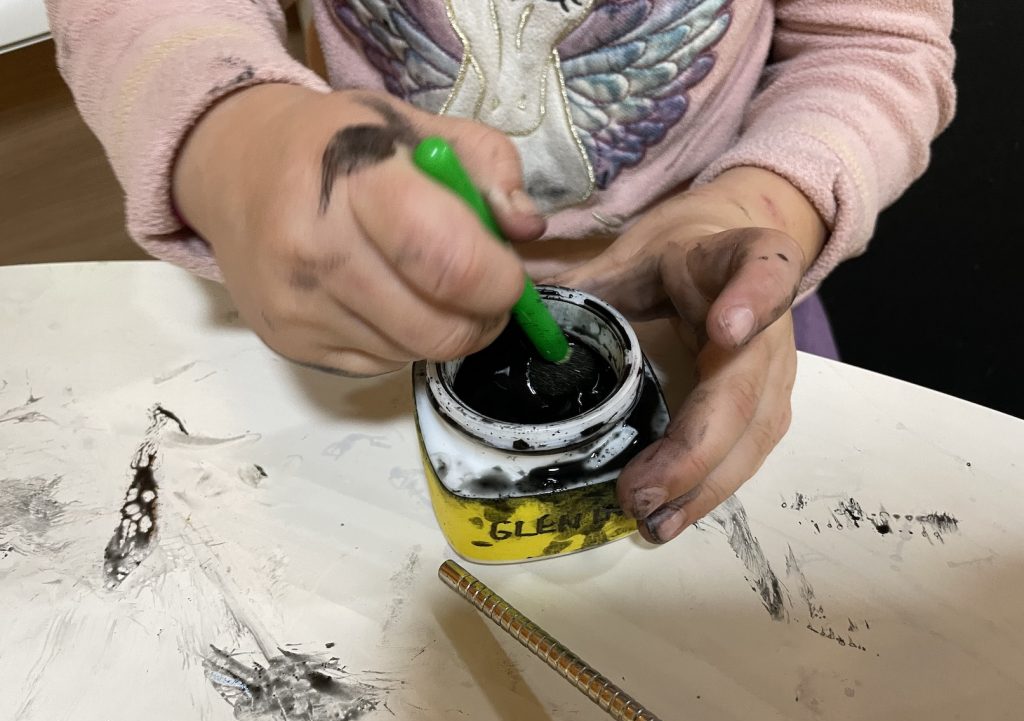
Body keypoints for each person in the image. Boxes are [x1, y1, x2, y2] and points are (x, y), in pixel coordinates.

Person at [45, 0, 955, 544]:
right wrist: (233, 140)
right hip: (343, 290)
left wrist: (758, 208)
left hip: (719, 301)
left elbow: (875, 46)